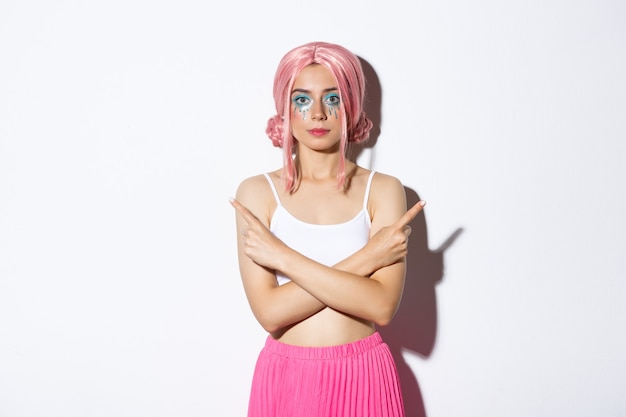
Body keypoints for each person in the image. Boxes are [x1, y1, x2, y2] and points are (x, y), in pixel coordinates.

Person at [230, 41, 425, 417]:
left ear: (350, 105)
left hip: (363, 374)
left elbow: (381, 306)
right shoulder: (256, 193)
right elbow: (270, 313)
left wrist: (282, 257)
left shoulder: (383, 190)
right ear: (285, 109)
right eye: (302, 100)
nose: (317, 113)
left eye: (332, 98)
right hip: (286, 377)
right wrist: (368, 257)